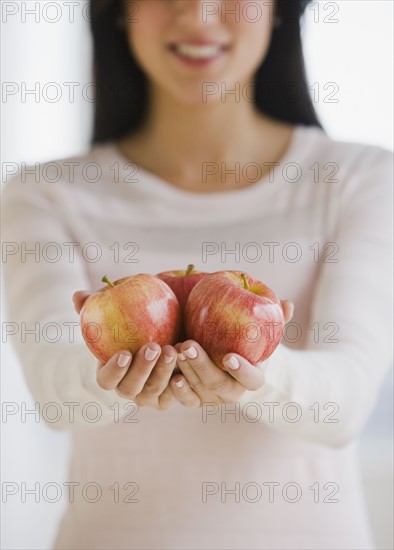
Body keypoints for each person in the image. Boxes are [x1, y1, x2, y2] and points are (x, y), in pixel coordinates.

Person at [3, 1, 392, 549]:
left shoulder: (361, 179)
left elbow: (346, 404)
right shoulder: (41, 194)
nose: (200, 12)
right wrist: (121, 370)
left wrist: (254, 369)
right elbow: (52, 394)